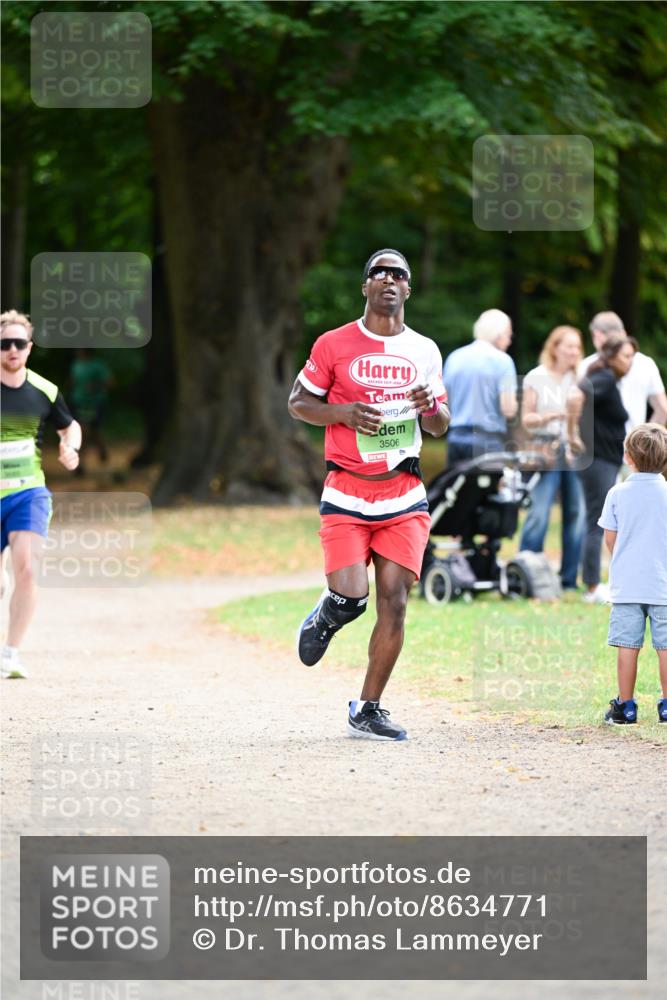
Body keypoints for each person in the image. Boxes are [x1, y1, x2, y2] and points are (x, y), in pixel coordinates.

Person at [288, 249, 450, 741]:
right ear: (365, 287)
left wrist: (429, 408)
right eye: (377, 272)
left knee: (395, 601)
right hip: (347, 491)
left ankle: (368, 708)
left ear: (407, 289)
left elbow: (441, 425)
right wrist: (342, 413)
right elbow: (299, 403)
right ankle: (330, 611)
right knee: (352, 596)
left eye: (397, 273)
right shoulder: (334, 343)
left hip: (403, 493)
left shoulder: (425, 350)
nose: (387, 279)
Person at [0, 310, 81, 678]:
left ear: (29, 348)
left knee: (27, 570)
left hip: (28, 494)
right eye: (5, 344)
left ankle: (10, 654)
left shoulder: (44, 390)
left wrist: (70, 448)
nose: (12, 350)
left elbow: (70, 426)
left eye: (19, 343)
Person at [597, 423, 667, 725]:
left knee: (628, 647)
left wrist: (626, 561)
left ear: (628, 457)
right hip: (664, 585)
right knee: (665, 647)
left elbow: (610, 539)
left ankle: (625, 706)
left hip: (627, 586)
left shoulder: (617, 493)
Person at [518, 326, 586, 590]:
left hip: (575, 451)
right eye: (569, 346)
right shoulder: (537, 377)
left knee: (576, 512)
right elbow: (526, 420)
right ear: (555, 347)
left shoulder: (581, 378)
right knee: (539, 512)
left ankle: (569, 579)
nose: (574, 352)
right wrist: (554, 415)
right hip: (545, 450)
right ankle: (526, 574)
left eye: (577, 347)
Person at [577, 336, 635, 604]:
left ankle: (595, 582)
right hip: (597, 459)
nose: (630, 362)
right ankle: (591, 586)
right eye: (625, 356)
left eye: (632, 356)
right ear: (611, 357)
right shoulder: (604, 378)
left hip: (605, 459)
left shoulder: (607, 379)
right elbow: (576, 396)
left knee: (599, 519)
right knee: (596, 521)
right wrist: (571, 434)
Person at [442, 308, 517, 466]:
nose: (510, 341)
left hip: (456, 438)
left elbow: (444, 402)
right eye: (509, 334)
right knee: (489, 490)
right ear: (499, 333)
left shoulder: (454, 357)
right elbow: (508, 409)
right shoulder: (503, 361)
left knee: (458, 489)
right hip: (488, 440)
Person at [579, 311, 667, 430]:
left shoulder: (586, 365)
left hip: (601, 445)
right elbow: (662, 409)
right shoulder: (646, 363)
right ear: (623, 332)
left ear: (597, 335)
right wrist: (643, 441)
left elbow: (576, 408)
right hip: (633, 446)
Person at [69, 348, 112, 473]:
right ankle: (80, 463)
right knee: (83, 432)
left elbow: (110, 382)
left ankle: (101, 450)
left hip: (95, 403)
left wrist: (96, 386)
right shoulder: (76, 365)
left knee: (94, 432)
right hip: (79, 403)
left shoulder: (98, 366)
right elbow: (73, 381)